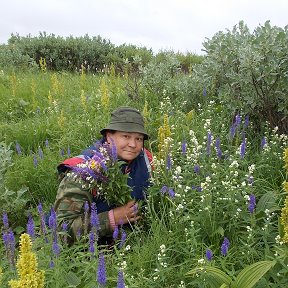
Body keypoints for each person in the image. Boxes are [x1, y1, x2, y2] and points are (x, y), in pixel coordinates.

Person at [54, 107, 153, 245]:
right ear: (108, 136)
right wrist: (112, 218)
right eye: (126, 136)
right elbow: (61, 231)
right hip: (90, 256)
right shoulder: (82, 171)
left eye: (139, 138)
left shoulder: (147, 160)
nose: (133, 144)